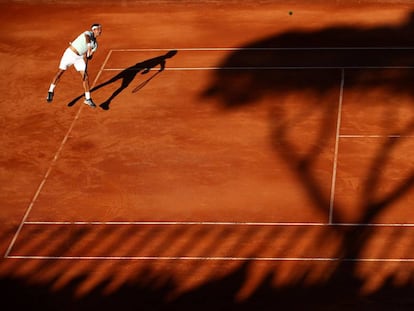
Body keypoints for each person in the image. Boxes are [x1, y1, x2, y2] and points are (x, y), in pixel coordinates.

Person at [46, 23, 103, 108]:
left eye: (100, 29)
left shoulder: (95, 45)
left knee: (85, 77)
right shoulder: (88, 33)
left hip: (79, 58)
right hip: (69, 54)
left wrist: (89, 55)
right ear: (93, 30)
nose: (100, 31)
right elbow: (87, 39)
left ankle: (87, 99)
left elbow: (89, 56)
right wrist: (88, 47)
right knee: (60, 73)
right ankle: (51, 91)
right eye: (98, 29)